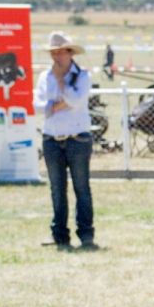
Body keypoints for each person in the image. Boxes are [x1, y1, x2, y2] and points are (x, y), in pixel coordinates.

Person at [39, 31, 97, 252]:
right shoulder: (45, 77)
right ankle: (60, 235)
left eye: (61, 52)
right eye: (54, 52)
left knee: (81, 187)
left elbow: (76, 99)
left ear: (70, 53)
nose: (57, 56)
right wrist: (55, 105)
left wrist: (61, 87)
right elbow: (38, 105)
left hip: (77, 138)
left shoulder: (82, 76)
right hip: (52, 138)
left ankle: (86, 234)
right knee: (57, 189)